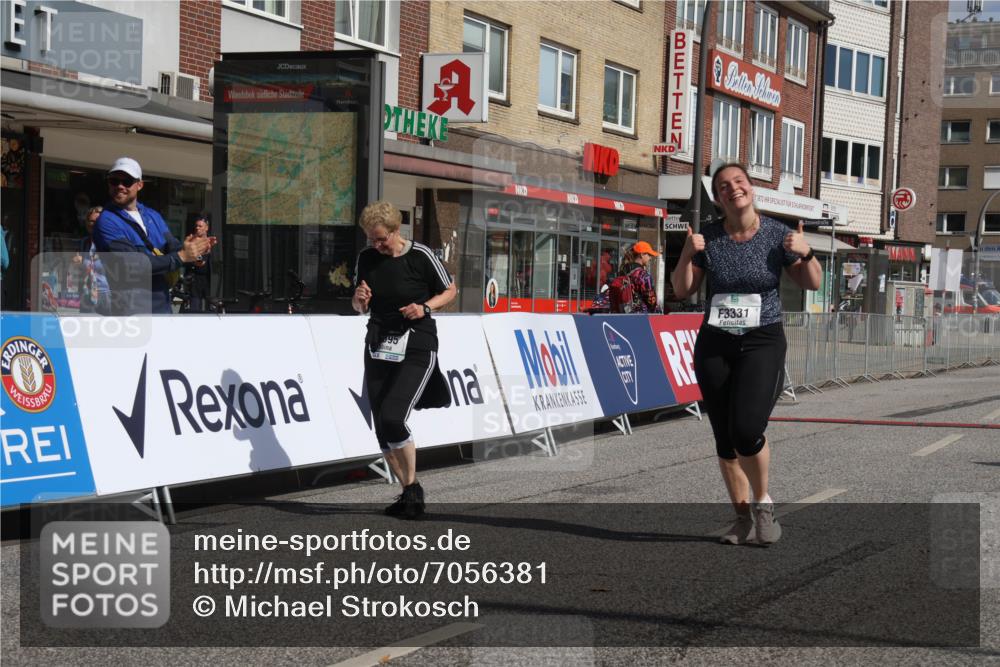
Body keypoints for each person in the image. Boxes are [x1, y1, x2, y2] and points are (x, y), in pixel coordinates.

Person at [670, 162, 821, 546]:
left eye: (739, 182)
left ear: (750, 188)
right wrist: (687, 254)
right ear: (718, 198)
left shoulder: (777, 234)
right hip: (715, 342)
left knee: (747, 430)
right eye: (723, 186)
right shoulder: (708, 238)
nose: (732, 189)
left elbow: (812, 282)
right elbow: (682, 290)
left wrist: (805, 253)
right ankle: (741, 520)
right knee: (724, 436)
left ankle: (763, 503)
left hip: (761, 340)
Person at [352, 201, 457, 519]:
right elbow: (359, 306)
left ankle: (412, 491)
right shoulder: (367, 258)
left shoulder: (421, 255)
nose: (377, 244)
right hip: (379, 343)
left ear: (396, 231)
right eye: (372, 238)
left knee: (394, 416)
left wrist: (425, 307)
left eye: (381, 238)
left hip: (417, 344)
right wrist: (359, 301)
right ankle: (409, 490)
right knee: (381, 424)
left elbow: (449, 290)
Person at [93, 157, 212, 315]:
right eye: (114, 181)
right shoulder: (106, 221)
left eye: (127, 181)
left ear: (140, 185)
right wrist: (182, 257)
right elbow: (134, 264)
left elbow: (173, 245)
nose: (120, 186)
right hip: (129, 313)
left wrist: (196, 251)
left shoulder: (152, 215)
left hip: (161, 307)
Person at [72, 206, 110, 314]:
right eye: (91, 221)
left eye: (98, 221)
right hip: (87, 294)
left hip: (108, 295)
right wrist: (77, 262)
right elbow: (81, 267)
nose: (93, 224)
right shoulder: (84, 242)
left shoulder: (111, 243)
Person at [612, 241, 661, 314]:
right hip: (640, 317)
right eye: (649, 255)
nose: (650, 258)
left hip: (623, 315)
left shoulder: (622, 272)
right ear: (642, 255)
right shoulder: (643, 275)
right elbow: (651, 302)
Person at [184, 216, 213, 312]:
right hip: (194, 280)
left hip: (208, 280)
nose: (197, 228)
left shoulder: (211, 241)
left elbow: (204, 262)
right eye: (196, 226)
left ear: (206, 228)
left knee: (209, 309)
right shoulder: (191, 241)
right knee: (195, 309)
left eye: (200, 226)